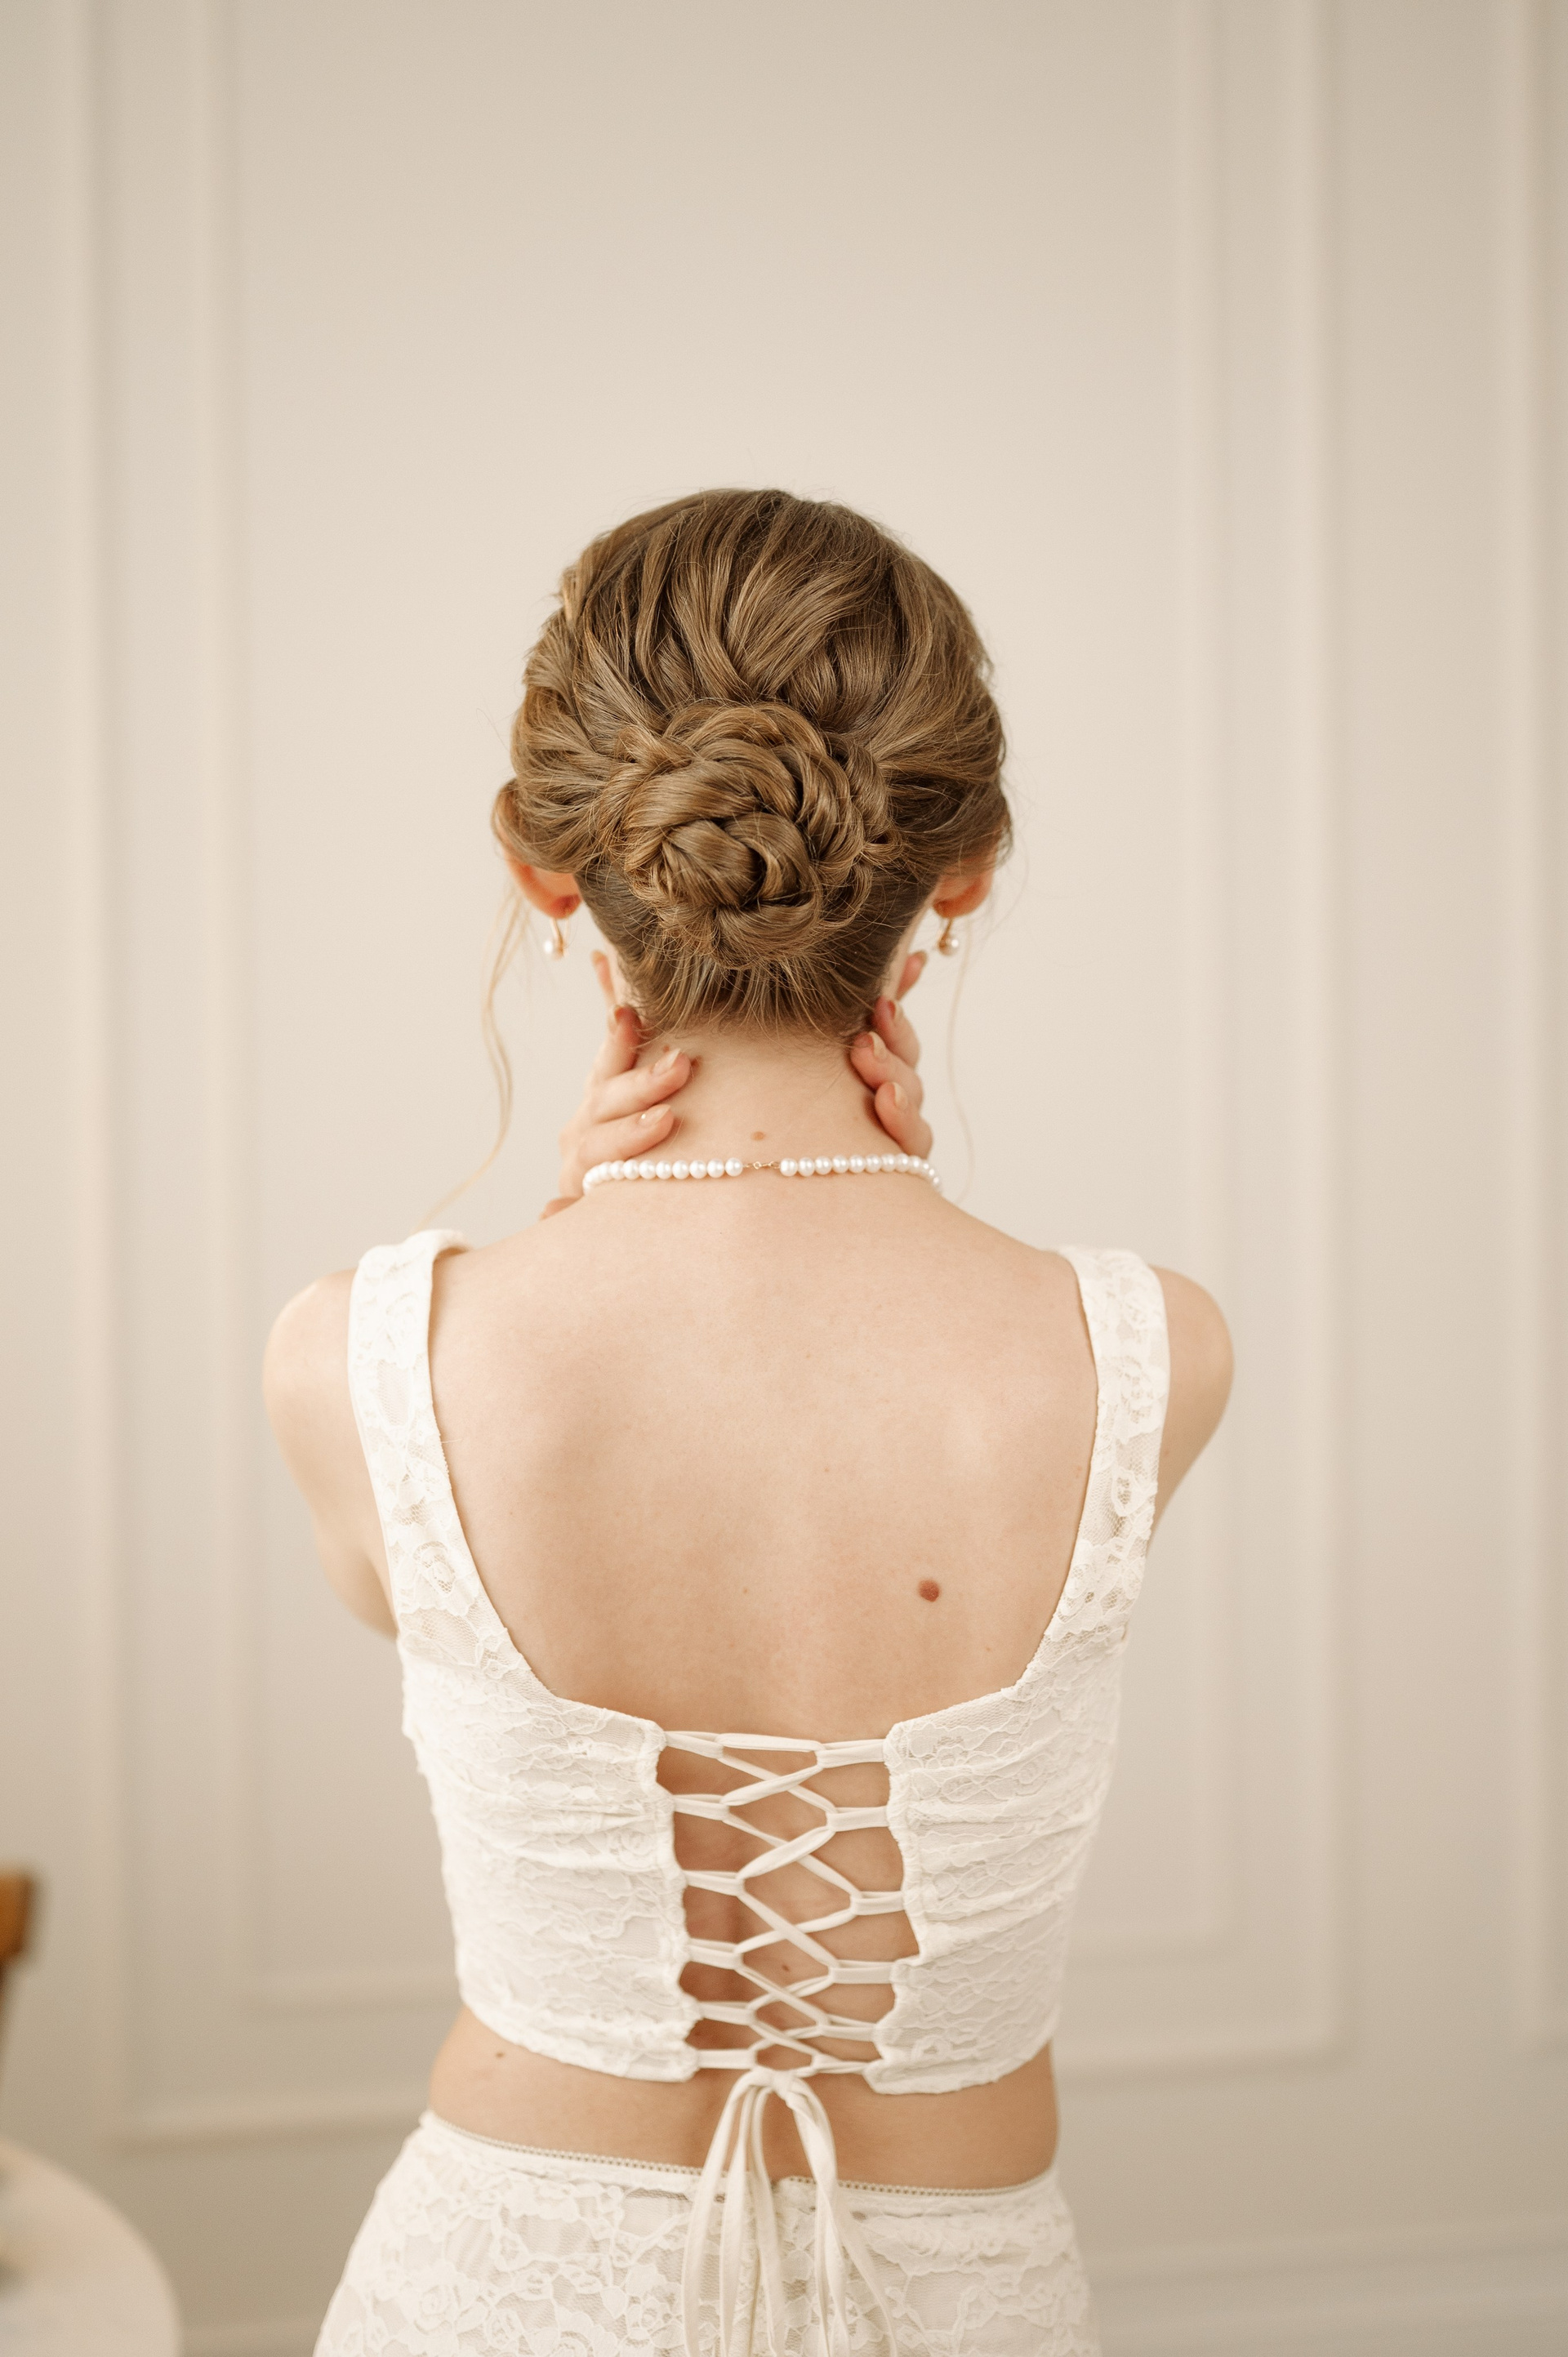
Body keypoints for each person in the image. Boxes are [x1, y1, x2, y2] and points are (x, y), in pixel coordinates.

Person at [266, 488, 1232, 2357]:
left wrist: (561, 1242)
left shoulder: (356, 1361)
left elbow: (425, 1594)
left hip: (500, 2290)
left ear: (552, 873)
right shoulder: (1150, 1354)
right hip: (965, 2302)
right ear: (963, 872)